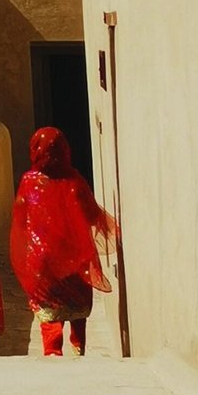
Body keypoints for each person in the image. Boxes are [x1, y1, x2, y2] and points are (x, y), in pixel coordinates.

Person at [11, 126, 117, 357]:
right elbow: (91, 215)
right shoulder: (75, 181)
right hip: (73, 257)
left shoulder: (28, 182)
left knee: (49, 312)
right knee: (76, 308)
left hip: (43, 262)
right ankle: (78, 349)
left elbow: (20, 220)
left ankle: (52, 354)